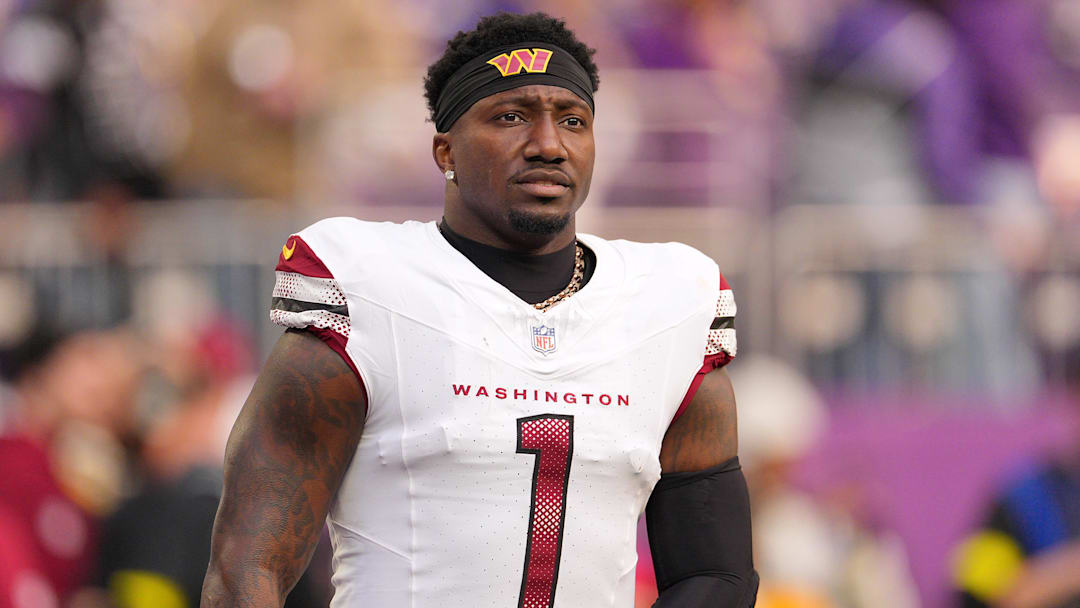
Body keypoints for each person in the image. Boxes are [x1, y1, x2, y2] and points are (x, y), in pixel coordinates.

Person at [201, 11, 756, 608]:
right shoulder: (369, 289)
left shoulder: (668, 302)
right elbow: (245, 569)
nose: (548, 144)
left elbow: (715, 576)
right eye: (510, 116)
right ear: (447, 151)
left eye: (573, 120)